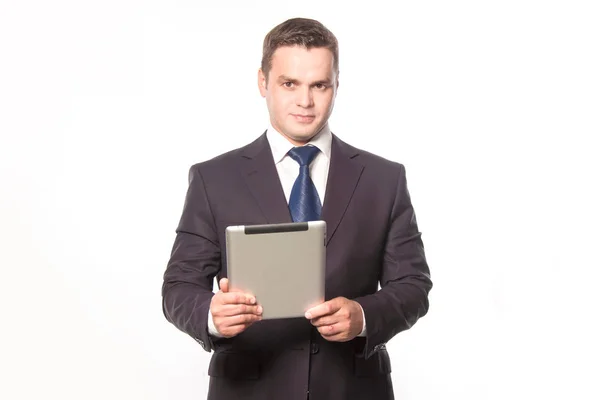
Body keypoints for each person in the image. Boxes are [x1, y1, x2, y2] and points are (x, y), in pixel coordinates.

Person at [162, 17, 432, 400]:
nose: (305, 101)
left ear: (336, 86)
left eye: (319, 85)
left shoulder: (383, 179)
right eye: (289, 84)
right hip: (249, 388)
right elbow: (178, 286)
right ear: (263, 82)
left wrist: (363, 316)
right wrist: (211, 315)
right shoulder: (213, 179)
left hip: (352, 388)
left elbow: (414, 285)